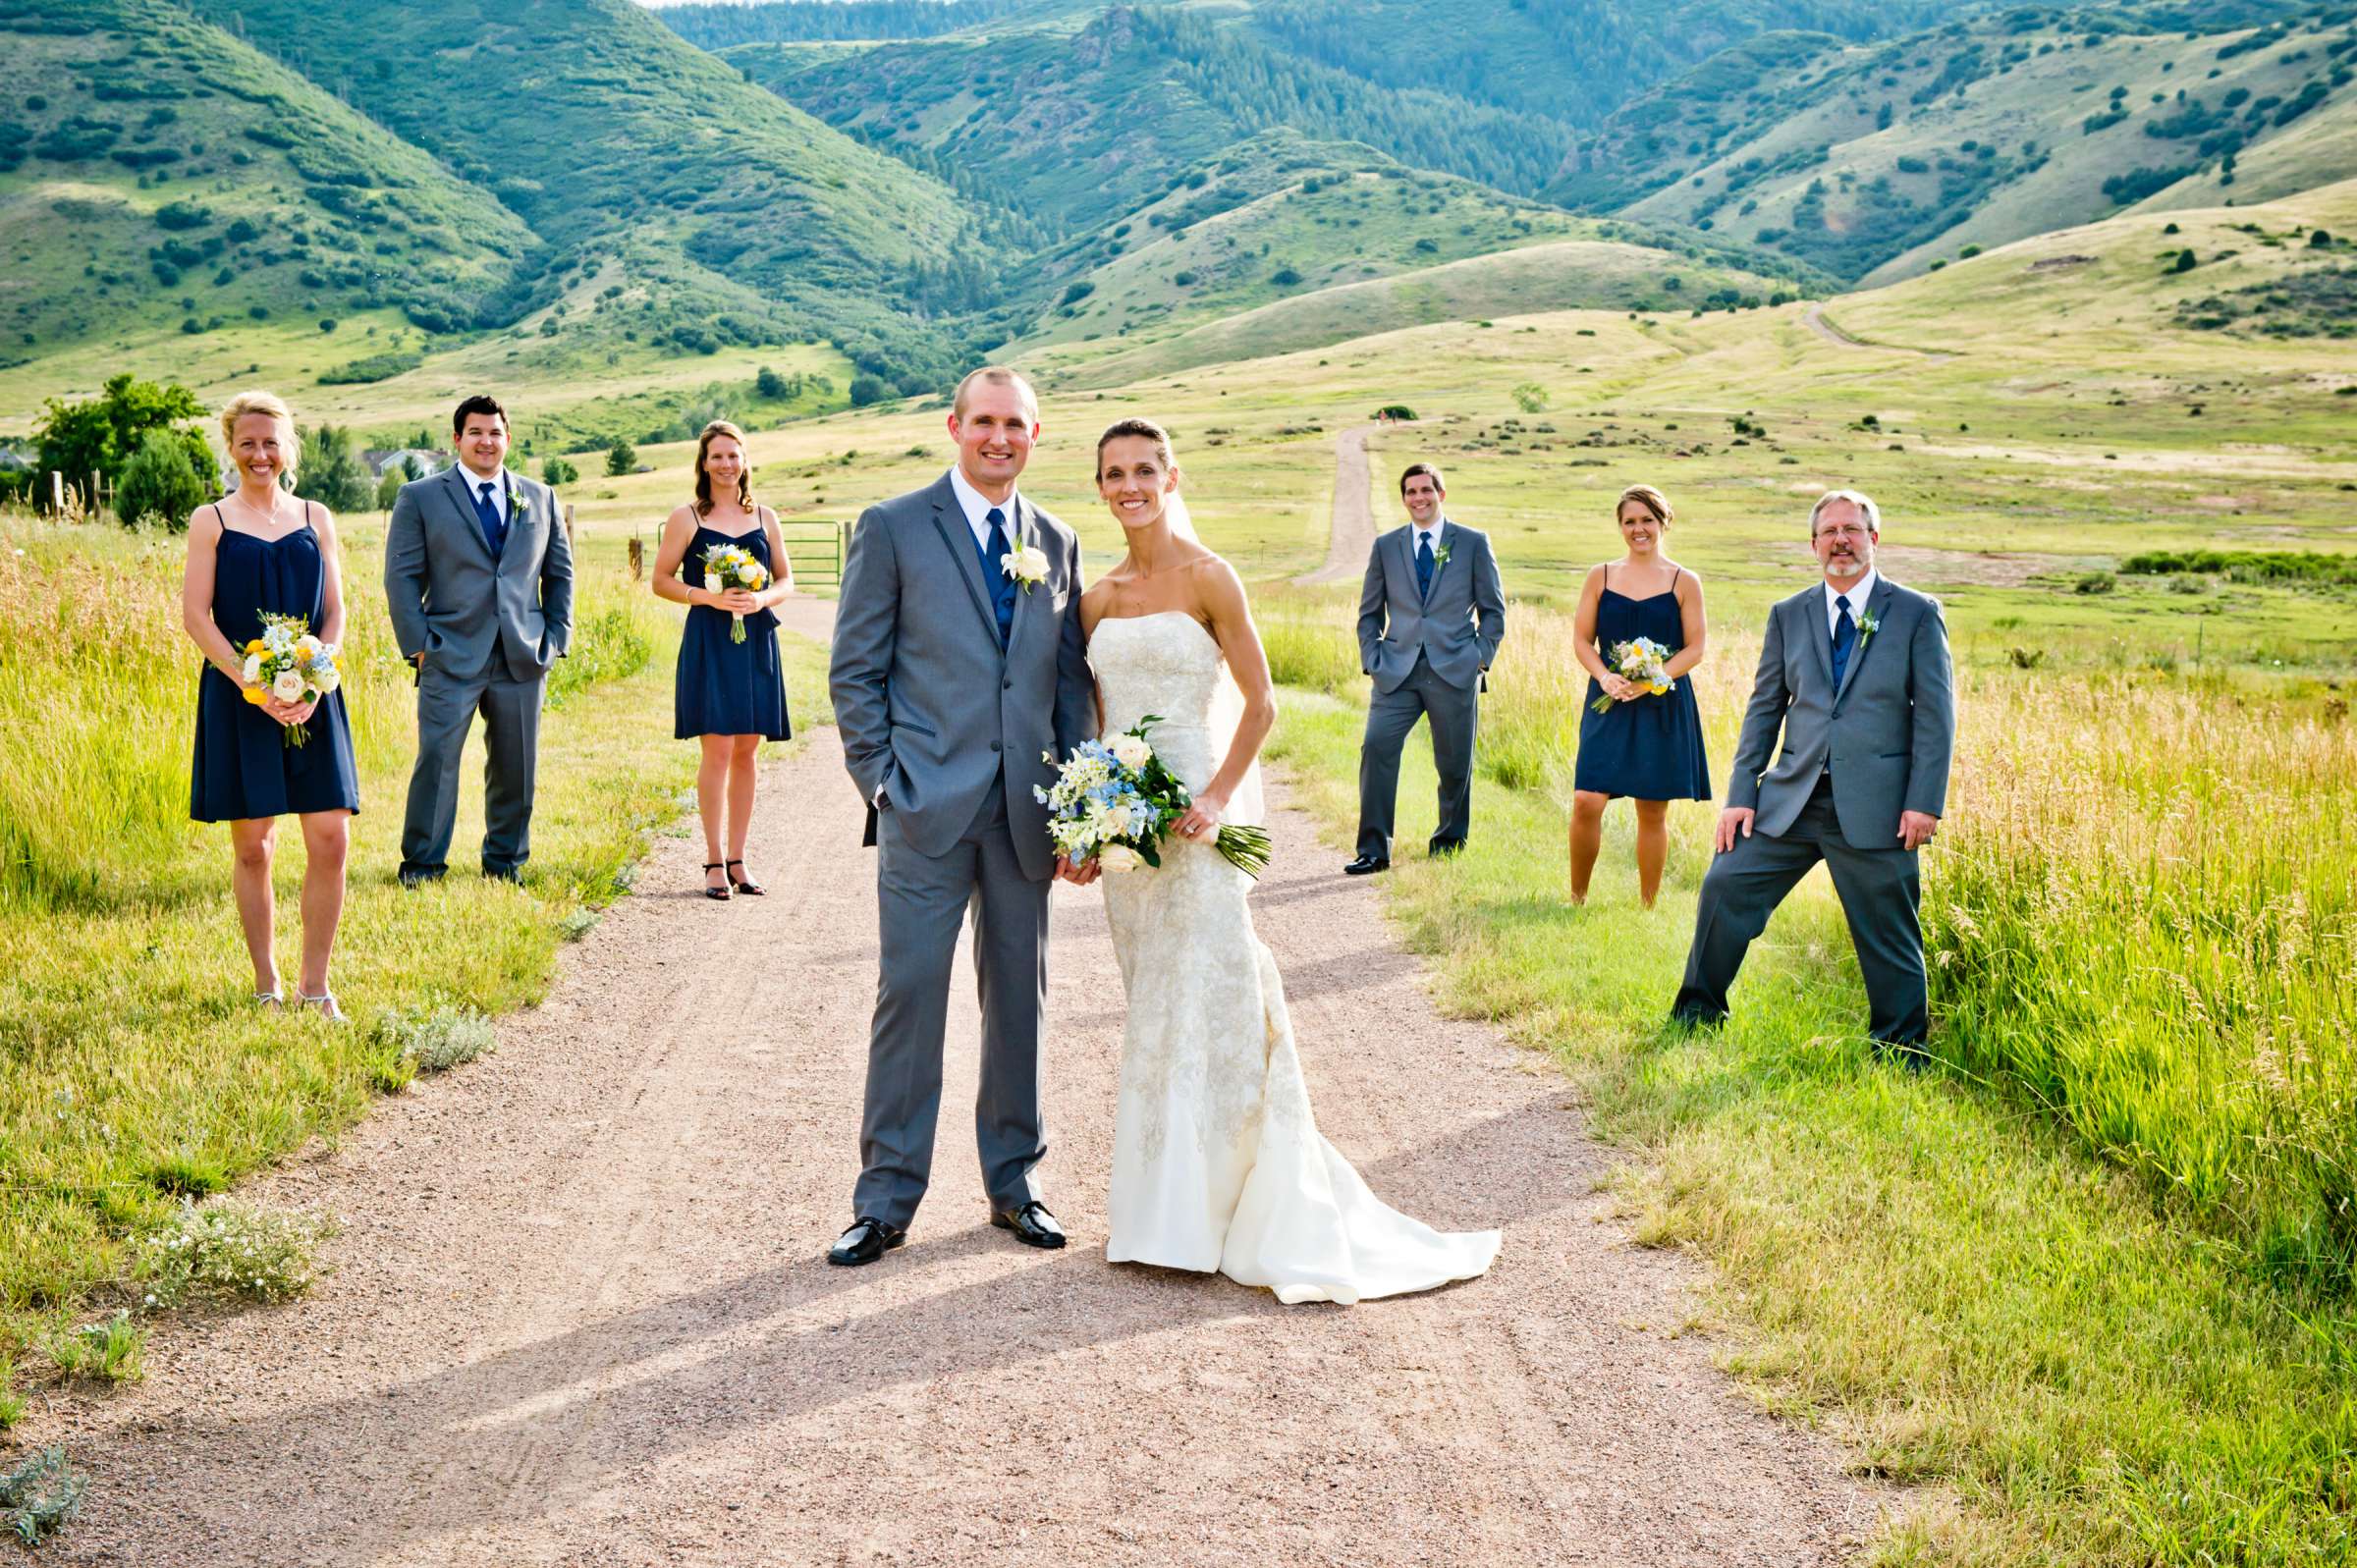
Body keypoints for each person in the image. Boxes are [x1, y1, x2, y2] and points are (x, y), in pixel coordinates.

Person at [1082, 417, 1499, 1303]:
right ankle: (1160, 1209)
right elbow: (1092, 719)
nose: (1130, 485)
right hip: (1129, 836)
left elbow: (1261, 703)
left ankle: (1234, 1204)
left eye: (1145, 469)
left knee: (1217, 991)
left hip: (1197, 819)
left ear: (1172, 472)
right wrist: (1093, 818)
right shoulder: (1097, 595)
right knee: (1153, 1000)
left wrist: (1216, 795)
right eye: (1114, 473)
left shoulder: (1210, 577)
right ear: (1101, 485)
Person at [824, 366, 1096, 1267]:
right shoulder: (894, 527)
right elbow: (854, 670)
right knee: (909, 996)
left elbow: (1064, 687)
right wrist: (879, 780)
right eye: (984, 421)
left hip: (1024, 815)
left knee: (1021, 999)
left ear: (1035, 433)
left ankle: (1014, 1185)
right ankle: (886, 1199)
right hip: (923, 808)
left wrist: (1076, 809)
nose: (998, 438)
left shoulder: (1057, 540)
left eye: (1015, 424)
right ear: (953, 425)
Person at [1672, 490, 1954, 1057]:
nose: (1841, 541)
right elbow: (1764, 709)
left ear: (1874, 540)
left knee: (1888, 932)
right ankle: (1697, 1015)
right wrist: (1739, 796)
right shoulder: (1789, 613)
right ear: (1814, 544)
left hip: (1879, 807)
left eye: (1852, 530)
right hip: (1790, 801)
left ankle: (1901, 1050)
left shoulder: (1916, 612)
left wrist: (1924, 802)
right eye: (1829, 532)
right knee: (1724, 886)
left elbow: (1936, 715)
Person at [183, 391, 360, 1020]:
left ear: (289, 449)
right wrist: (251, 682)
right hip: (239, 698)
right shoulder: (212, 521)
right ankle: (267, 982)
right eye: (249, 442)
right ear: (232, 448)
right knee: (255, 845)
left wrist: (315, 676)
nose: (261, 454)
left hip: (316, 697)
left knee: (332, 836)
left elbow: (335, 611)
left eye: (272, 442)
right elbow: (196, 618)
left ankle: (317, 987)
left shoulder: (317, 516)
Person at [384, 395, 573, 887]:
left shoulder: (540, 496)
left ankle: (506, 862)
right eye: (475, 433)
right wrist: (419, 646)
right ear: (457, 440)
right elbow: (401, 578)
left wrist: (555, 639)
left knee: (517, 766)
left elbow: (560, 575)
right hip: (448, 651)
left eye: (495, 433)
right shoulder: (420, 497)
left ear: (507, 439)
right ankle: (422, 864)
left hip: (522, 654)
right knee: (438, 761)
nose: (486, 441)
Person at [652, 420, 793, 900]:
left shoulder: (766, 517)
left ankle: (739, 857)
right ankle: (712, 859)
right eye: (717, 456)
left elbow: (786, 582)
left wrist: (761, 601)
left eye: (734, 455)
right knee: (716, 749)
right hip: (711, 639)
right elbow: (661, 580)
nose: (727, 464)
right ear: (704, 462)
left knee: (748, 751)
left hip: (755, 639)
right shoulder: (687, 518)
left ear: (745, 460)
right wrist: (708, 598)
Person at [1347, 461, 1505, 874]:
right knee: (1377, 747)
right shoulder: (1386, 546)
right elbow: (1368, 613)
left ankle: (1449, 842)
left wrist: (1479, 658)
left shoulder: (1471, 543)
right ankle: (1373, 849)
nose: (1419, 498)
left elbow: (1493, 612)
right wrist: (1372, 658)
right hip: (1395, 670)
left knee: (1453, 763)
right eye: (1411, 492)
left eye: (1426, 490)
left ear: (1441, 494)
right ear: (1404, 499)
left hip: (1455, 668)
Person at [1568, 485, 1712, 906]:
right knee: (1586, 801)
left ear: (1663, 522)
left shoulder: (1685, 581)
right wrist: (1604, 677)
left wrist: (1653, 680)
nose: (1638, 529)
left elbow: (1696, 647)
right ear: (1621, 526)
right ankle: (1576, 899)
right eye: (1630, 521)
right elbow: (1581, 640)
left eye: (1647, 520)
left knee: (1652, 809)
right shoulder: (1602, 576)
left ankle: (1647, 905)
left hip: (1662, 705)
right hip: (1609, 703)